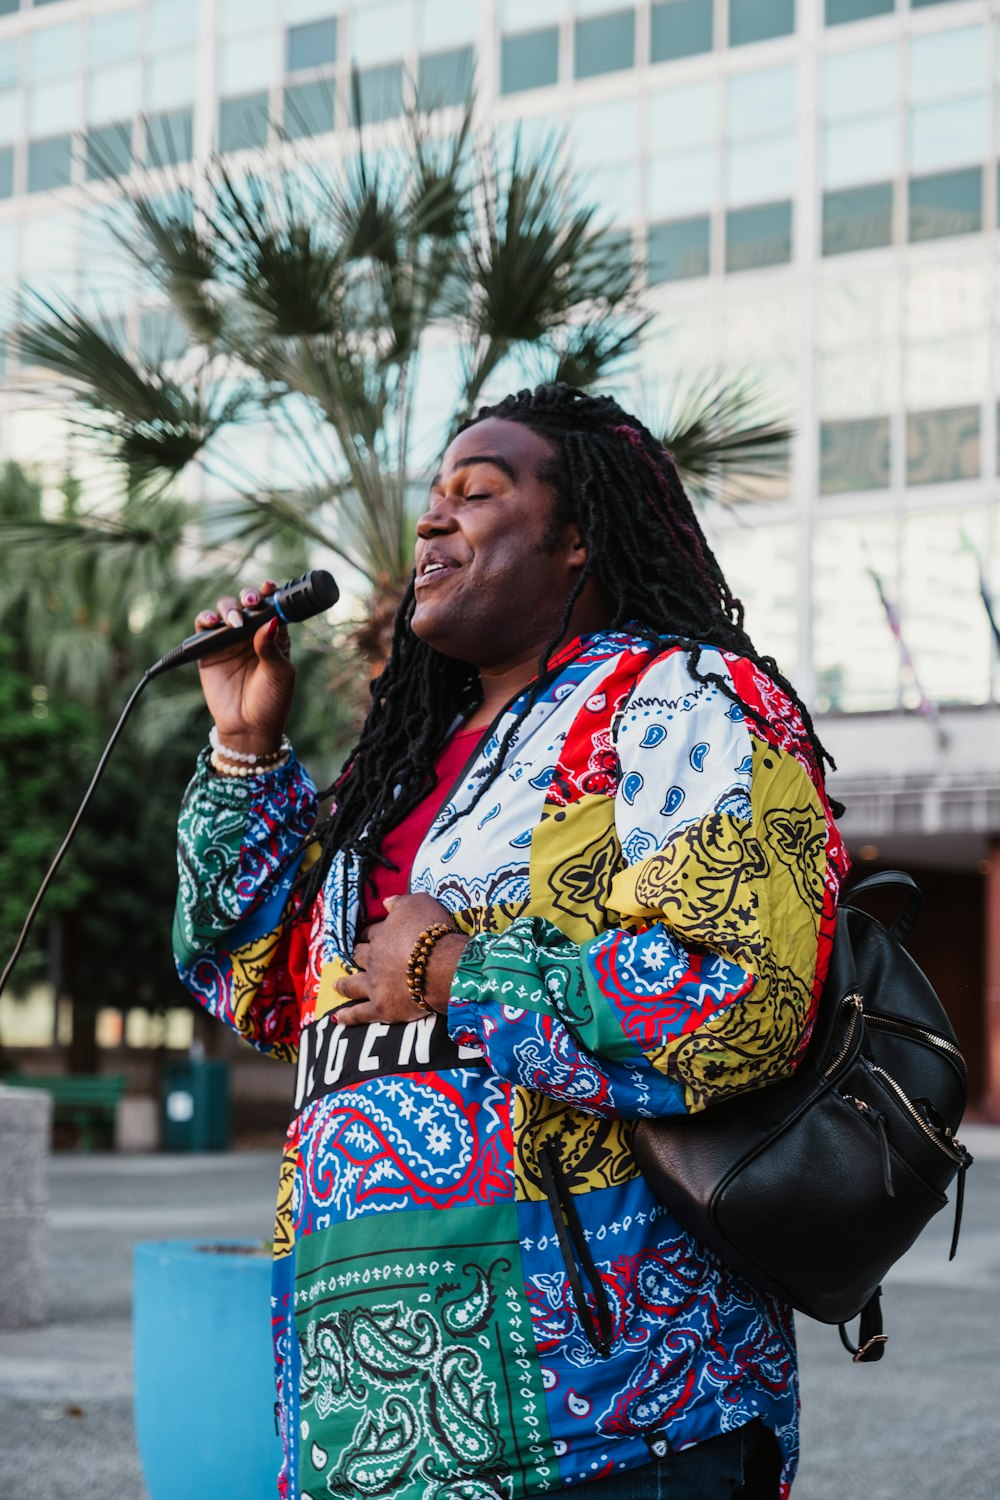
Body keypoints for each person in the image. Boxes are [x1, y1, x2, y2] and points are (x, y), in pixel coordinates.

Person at [174, 383, 848, 1500]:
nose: (432, 520)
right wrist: (246, 754)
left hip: (611, 1398)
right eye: (430, 499)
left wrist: (452, 971)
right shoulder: (397, 773)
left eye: (476, 494)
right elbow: (266, 993)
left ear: (577, 536)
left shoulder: (681, 702)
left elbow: (737, 999)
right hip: (373, 1415)